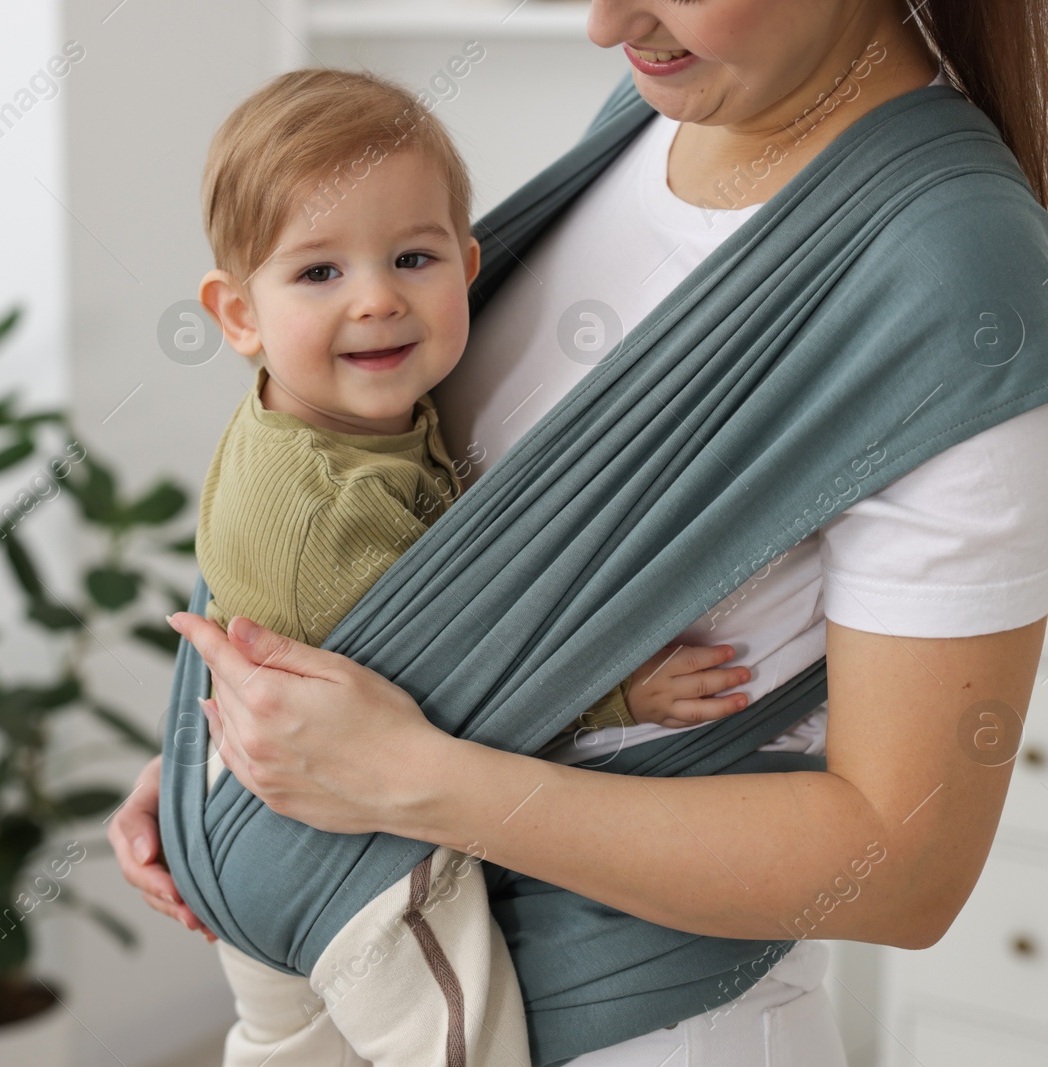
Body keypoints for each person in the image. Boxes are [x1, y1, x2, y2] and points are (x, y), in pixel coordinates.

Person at [113, 0, 1048, 1062]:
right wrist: (242, 747)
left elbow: (904, 868)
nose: (602, 20)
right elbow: (389, 530)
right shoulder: (661, 103)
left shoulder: (947, 268)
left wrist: (397, 772)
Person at [190, 67, 755, 1066]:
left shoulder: (317, 421)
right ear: (238, 315)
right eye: (318, 273)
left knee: (288, 1047)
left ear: (468, 265)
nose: (376, 300)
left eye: (412, 256)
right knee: (465, 1042)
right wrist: (616, 696)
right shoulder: (333, 505)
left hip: (243, 805)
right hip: (342, 856)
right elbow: (447, 694)